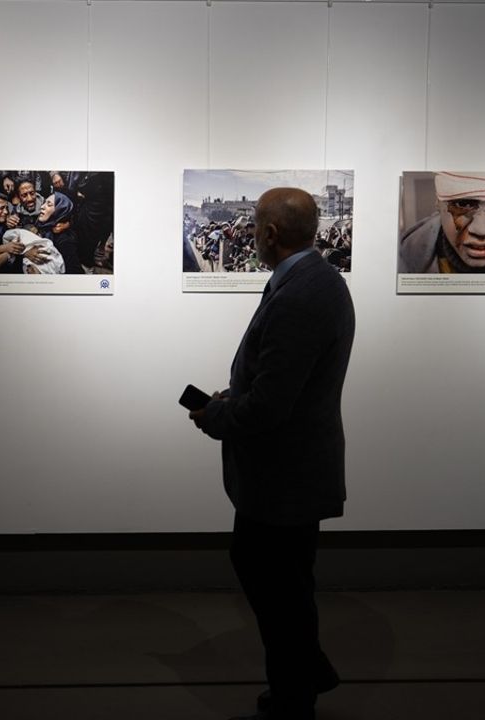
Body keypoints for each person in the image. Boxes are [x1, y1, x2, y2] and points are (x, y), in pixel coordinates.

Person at [189, 188, 354, 720]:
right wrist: (237, 396)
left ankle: (294, 696)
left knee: (276, 584)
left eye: (255, 223)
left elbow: (269, 408)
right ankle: (305, 673)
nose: (252, 230)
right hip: (293, 467)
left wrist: (215, 415)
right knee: (284, 580)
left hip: (284, 474)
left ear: (270, 234)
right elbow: (281, 384)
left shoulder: (301, 295)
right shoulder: (316, 279)